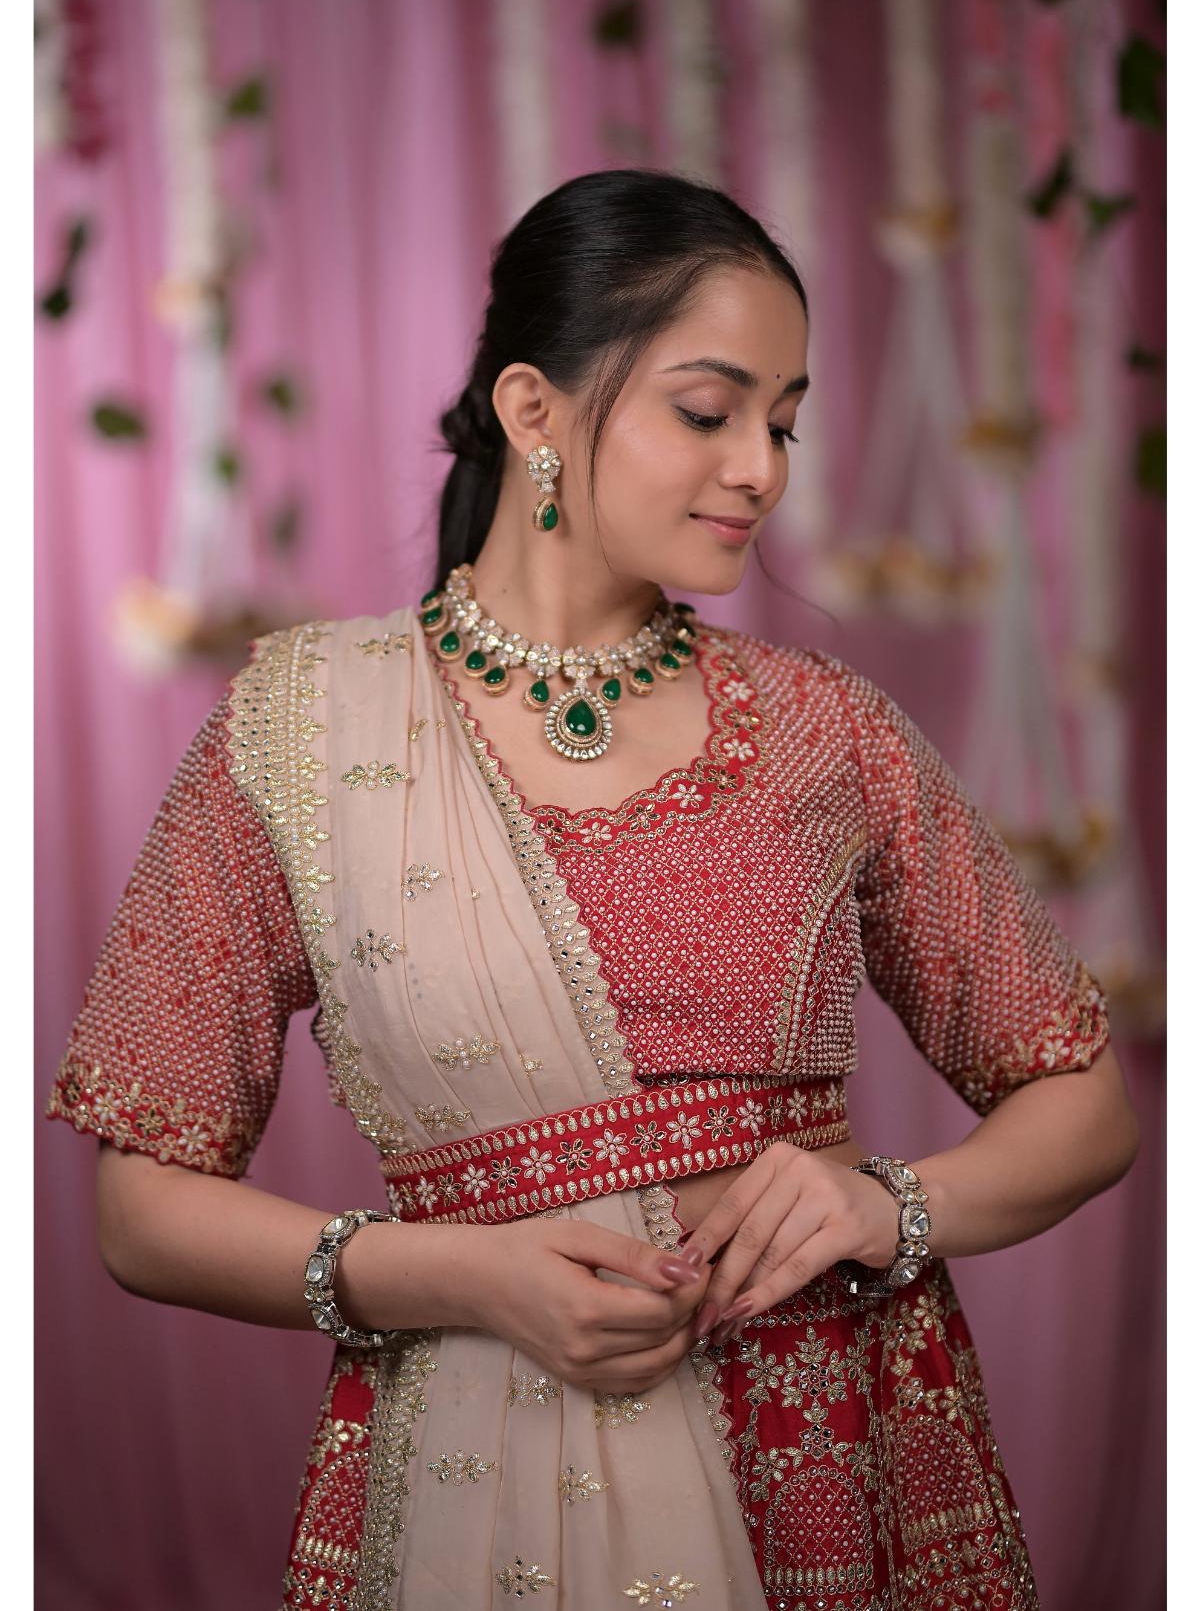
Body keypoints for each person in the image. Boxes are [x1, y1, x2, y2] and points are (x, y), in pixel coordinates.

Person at [45, 168, 1139, 1611]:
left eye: (786, 421)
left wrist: (888, 1205)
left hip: (829, 1450)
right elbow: (145, 1205)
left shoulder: (828, 732)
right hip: (469, 1469)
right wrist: (466, 1277)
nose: (761, 466)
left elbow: (1082, 1099)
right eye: (709, 410)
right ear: (533, 410)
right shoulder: (304, 733)